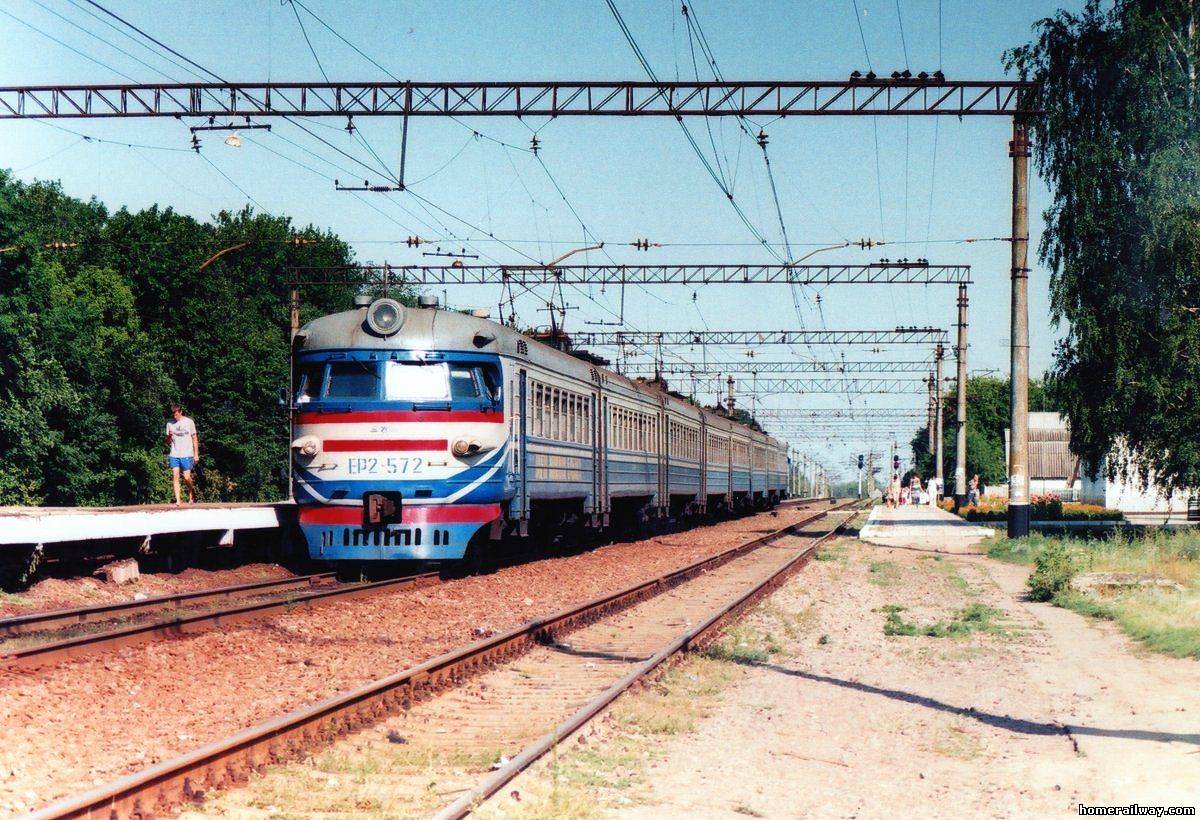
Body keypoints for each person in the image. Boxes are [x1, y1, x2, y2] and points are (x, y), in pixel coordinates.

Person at [166, 404, 200, 504]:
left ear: (180, 412)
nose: (174, 416)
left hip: (187, 454)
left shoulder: (189, 422)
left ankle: (191, 494)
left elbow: (194, 438)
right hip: (174, 454)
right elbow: (167, 441)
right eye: (173, 414)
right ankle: (178, 500)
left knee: (186, 477)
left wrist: (196, 454)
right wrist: (169, 436)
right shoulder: (169, 424)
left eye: (176, 414)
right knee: (175, 475)